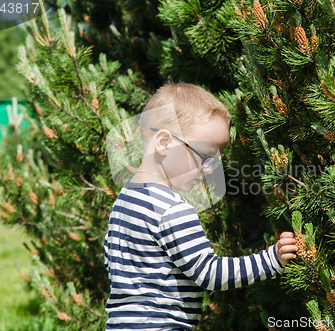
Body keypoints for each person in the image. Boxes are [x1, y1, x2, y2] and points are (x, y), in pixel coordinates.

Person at [103, 82, 297, 330]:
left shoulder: (125, 199)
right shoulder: (170, 209)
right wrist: (271, 260)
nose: (209, 169)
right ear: (163, 142)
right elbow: (209, 273)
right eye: (205, 156)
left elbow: (113, 262)